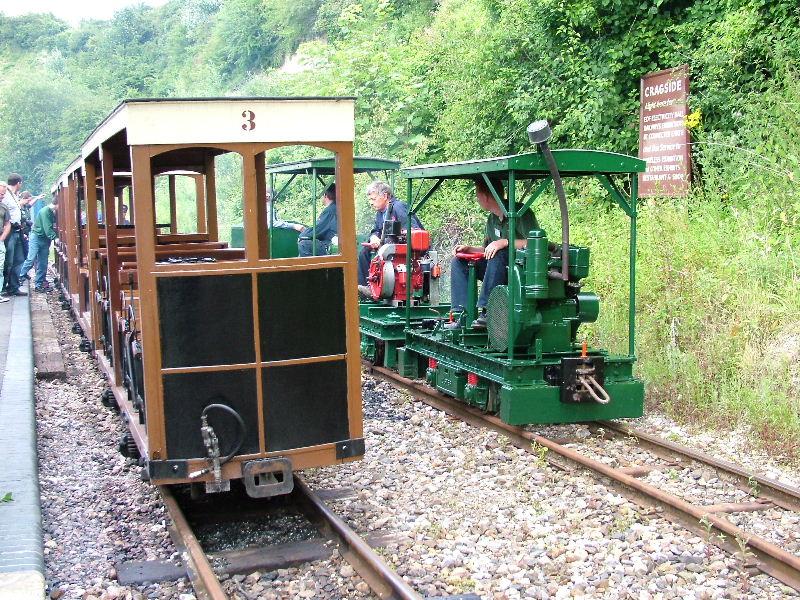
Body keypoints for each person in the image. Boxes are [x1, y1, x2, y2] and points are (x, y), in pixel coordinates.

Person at [447, 178, 537, 329]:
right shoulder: (492, 219)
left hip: (520, 272)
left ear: (486, 197)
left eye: (477, 194)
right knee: (459, 262)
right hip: (497, 269)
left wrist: (505, 242)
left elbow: (534, 242)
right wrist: (470, 249)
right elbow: (488, 250)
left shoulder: (522, 213)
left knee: (499, 253)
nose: (477, 198)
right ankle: (462, 315)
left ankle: (488, 311)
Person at [357, 180, 422, 296]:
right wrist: (374, 238)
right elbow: (376, 230)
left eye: (373, 199)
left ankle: (379, 289)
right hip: (388, 247)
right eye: (370, 199)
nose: (371, 203)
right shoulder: (380, 213)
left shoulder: (398, 207)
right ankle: (368, 289)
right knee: (364, 253)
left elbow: (413, 229)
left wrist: (397, 237)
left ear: (385, 196)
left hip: (406, 251)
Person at [18, 194, 58, 292]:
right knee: (31, 258)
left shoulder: (51, 212)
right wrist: (55, 238)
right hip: (36, 237)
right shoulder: (45, 211)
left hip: (44, 239)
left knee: (43, 262)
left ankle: (39, 284)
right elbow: (47, 228)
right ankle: (20, 276)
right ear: (57, 204)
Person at [1, 173, 27, 297]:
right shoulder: (5, 194)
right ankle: (5, 286)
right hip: (9, 231)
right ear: (19, 183)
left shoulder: (13, 195)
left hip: (17, 230)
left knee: (19, 259)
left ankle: (14, 286)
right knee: (9, 260)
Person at [297, 184, 337, 257]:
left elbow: (318, 228)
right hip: (332, 240)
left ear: (325, 195)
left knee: (304, 244)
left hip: (329, 243)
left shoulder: (330, 210)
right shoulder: (336, 208)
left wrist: (303, 235)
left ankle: (310, 268)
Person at [0, 182, 9, 303]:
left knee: (0, 267)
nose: (2, 196)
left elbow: (7, 224)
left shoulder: (4, 207)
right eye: (1, 194)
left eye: (3, 194)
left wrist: (2, 238)